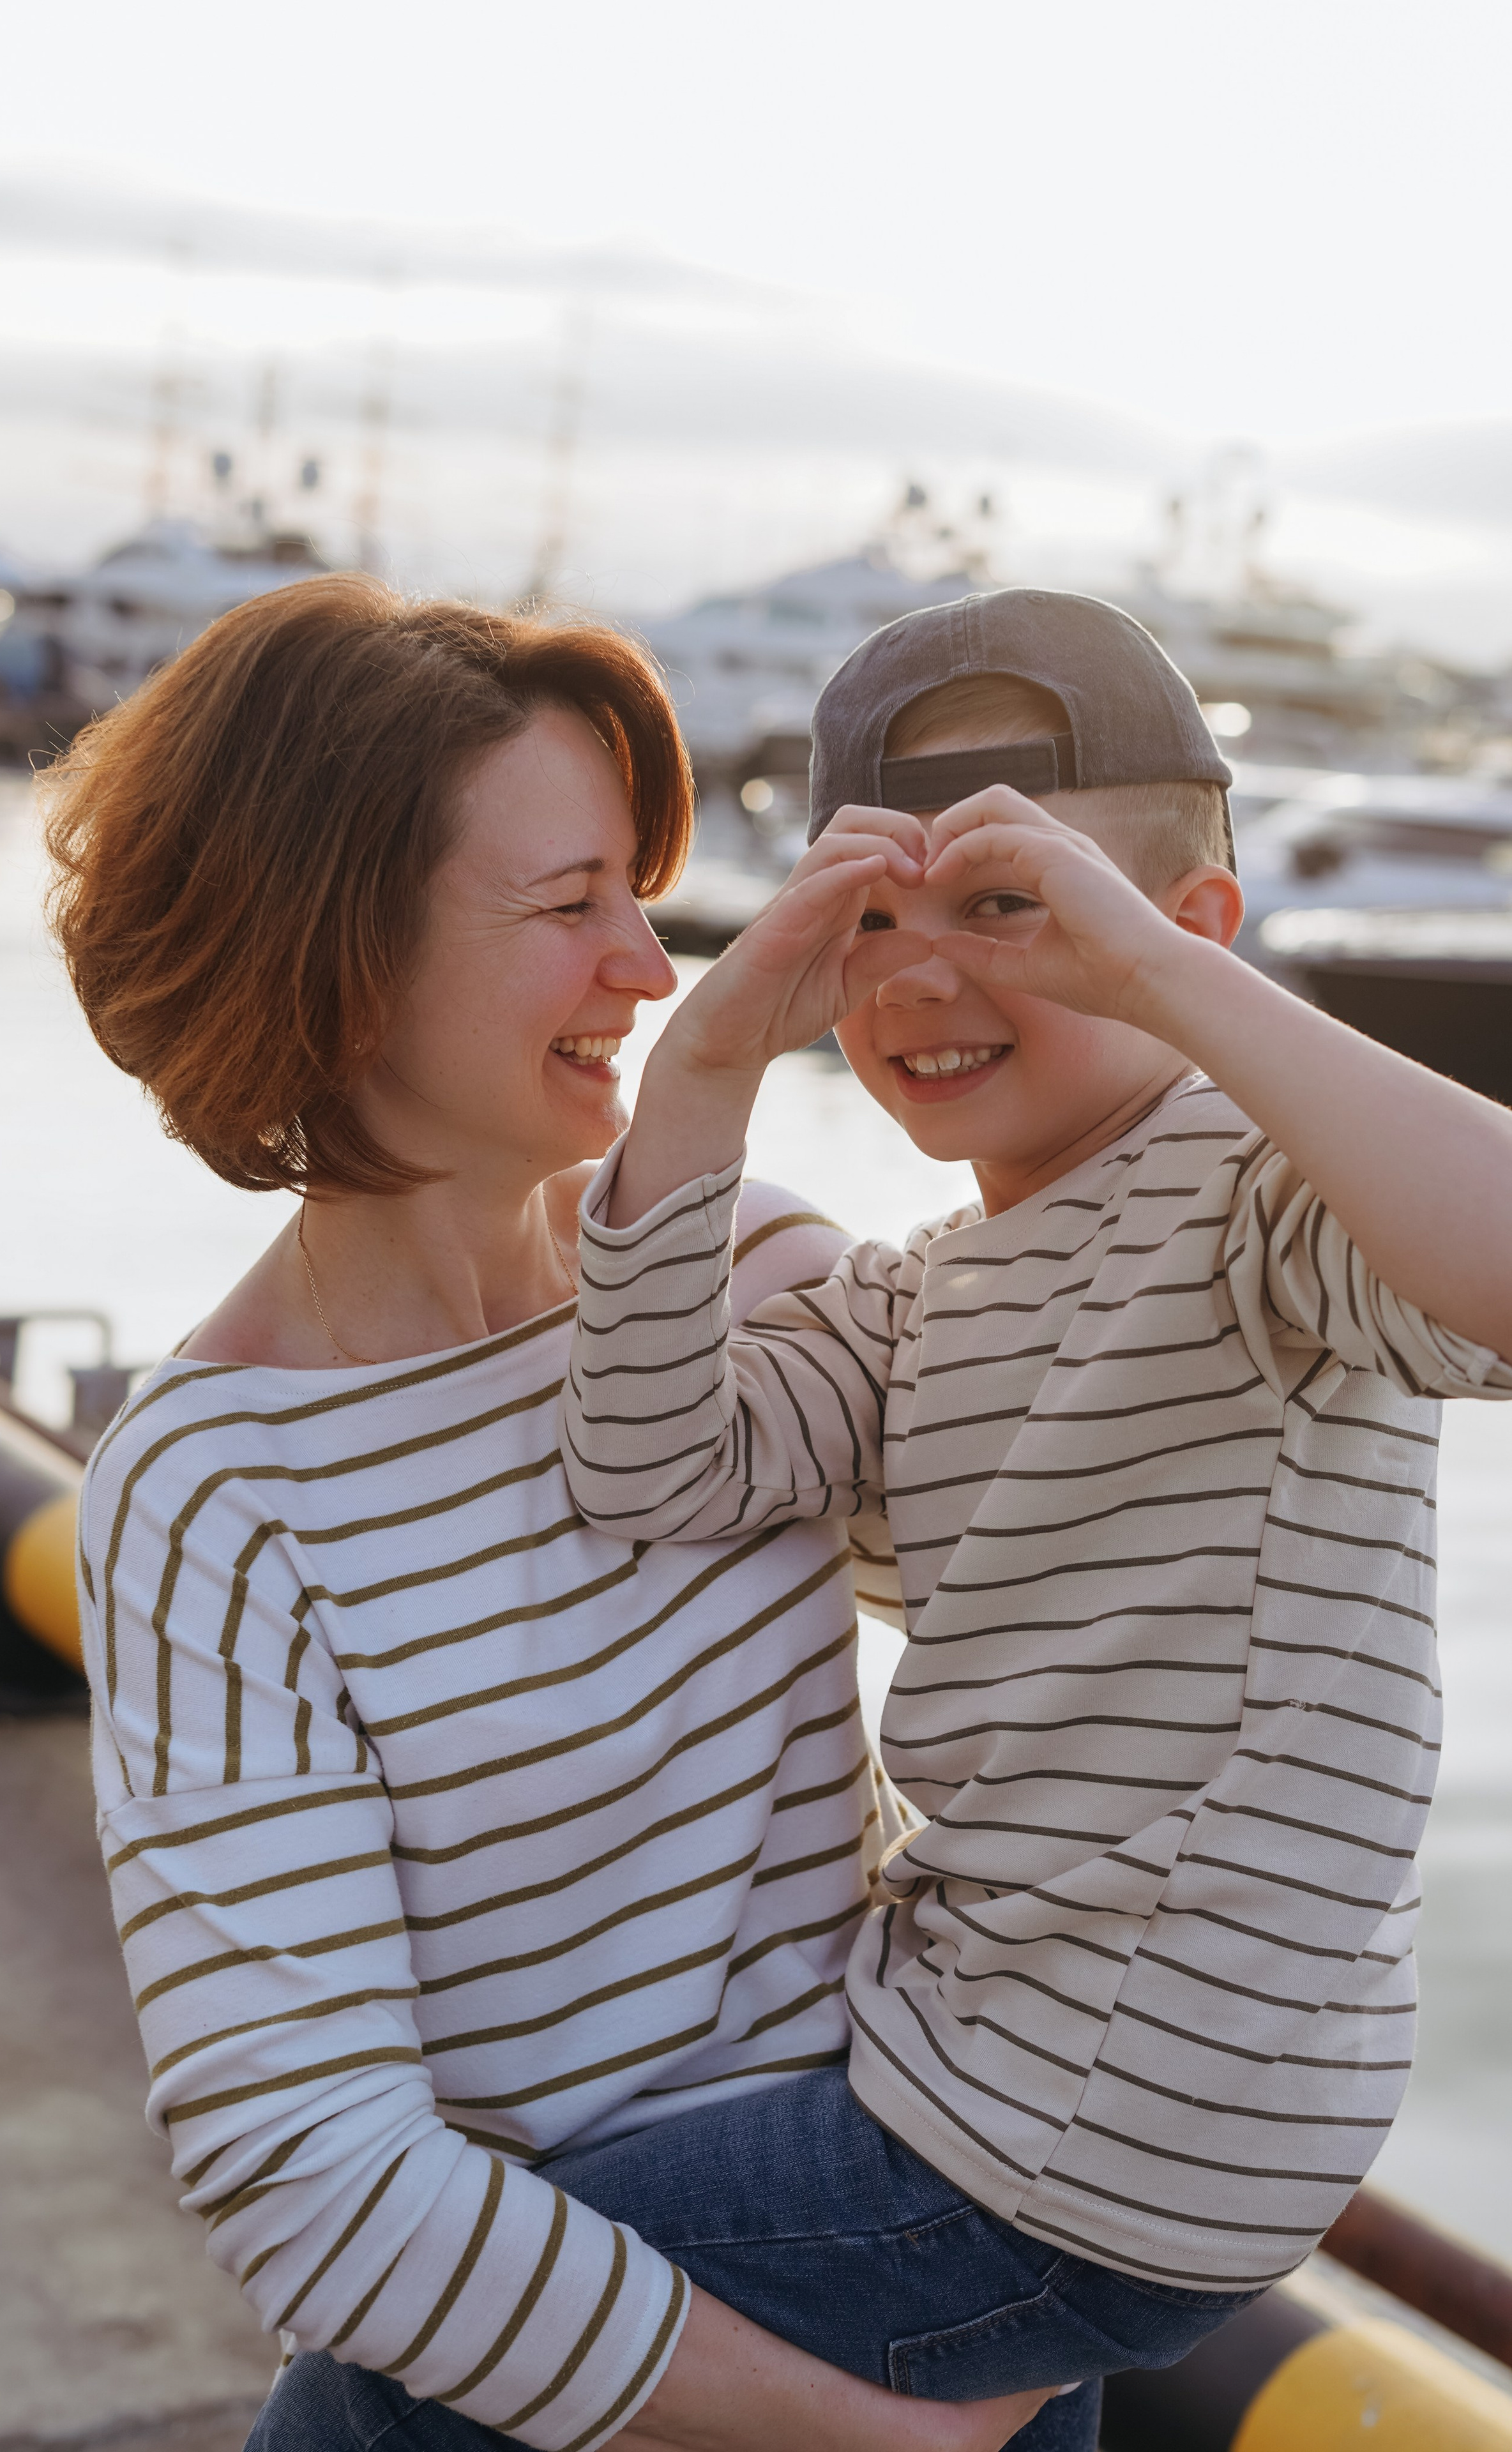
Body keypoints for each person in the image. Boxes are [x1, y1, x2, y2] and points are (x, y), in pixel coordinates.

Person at [43, 575, 1053, 2452]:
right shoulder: (216, 1490)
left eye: (638, 897)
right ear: (340, 956)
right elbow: (314, 2178)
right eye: (568, 906)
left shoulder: (747, 1273)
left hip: (926, 2304)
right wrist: (867, 2441)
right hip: (618, 2413)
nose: (651, 971)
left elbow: (1072, 1590)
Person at [558, 589, 1512, 2419]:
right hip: (1007, 2081)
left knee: (444, 2325)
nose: (926, 977)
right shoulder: (915, 1299)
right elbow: (649, 1465)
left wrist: (1172, 987)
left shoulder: (1260, 1209)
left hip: (1094, 2127)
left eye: (1016, 905)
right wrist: (708, 1057)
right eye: (870, 926)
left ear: (1193, 929)